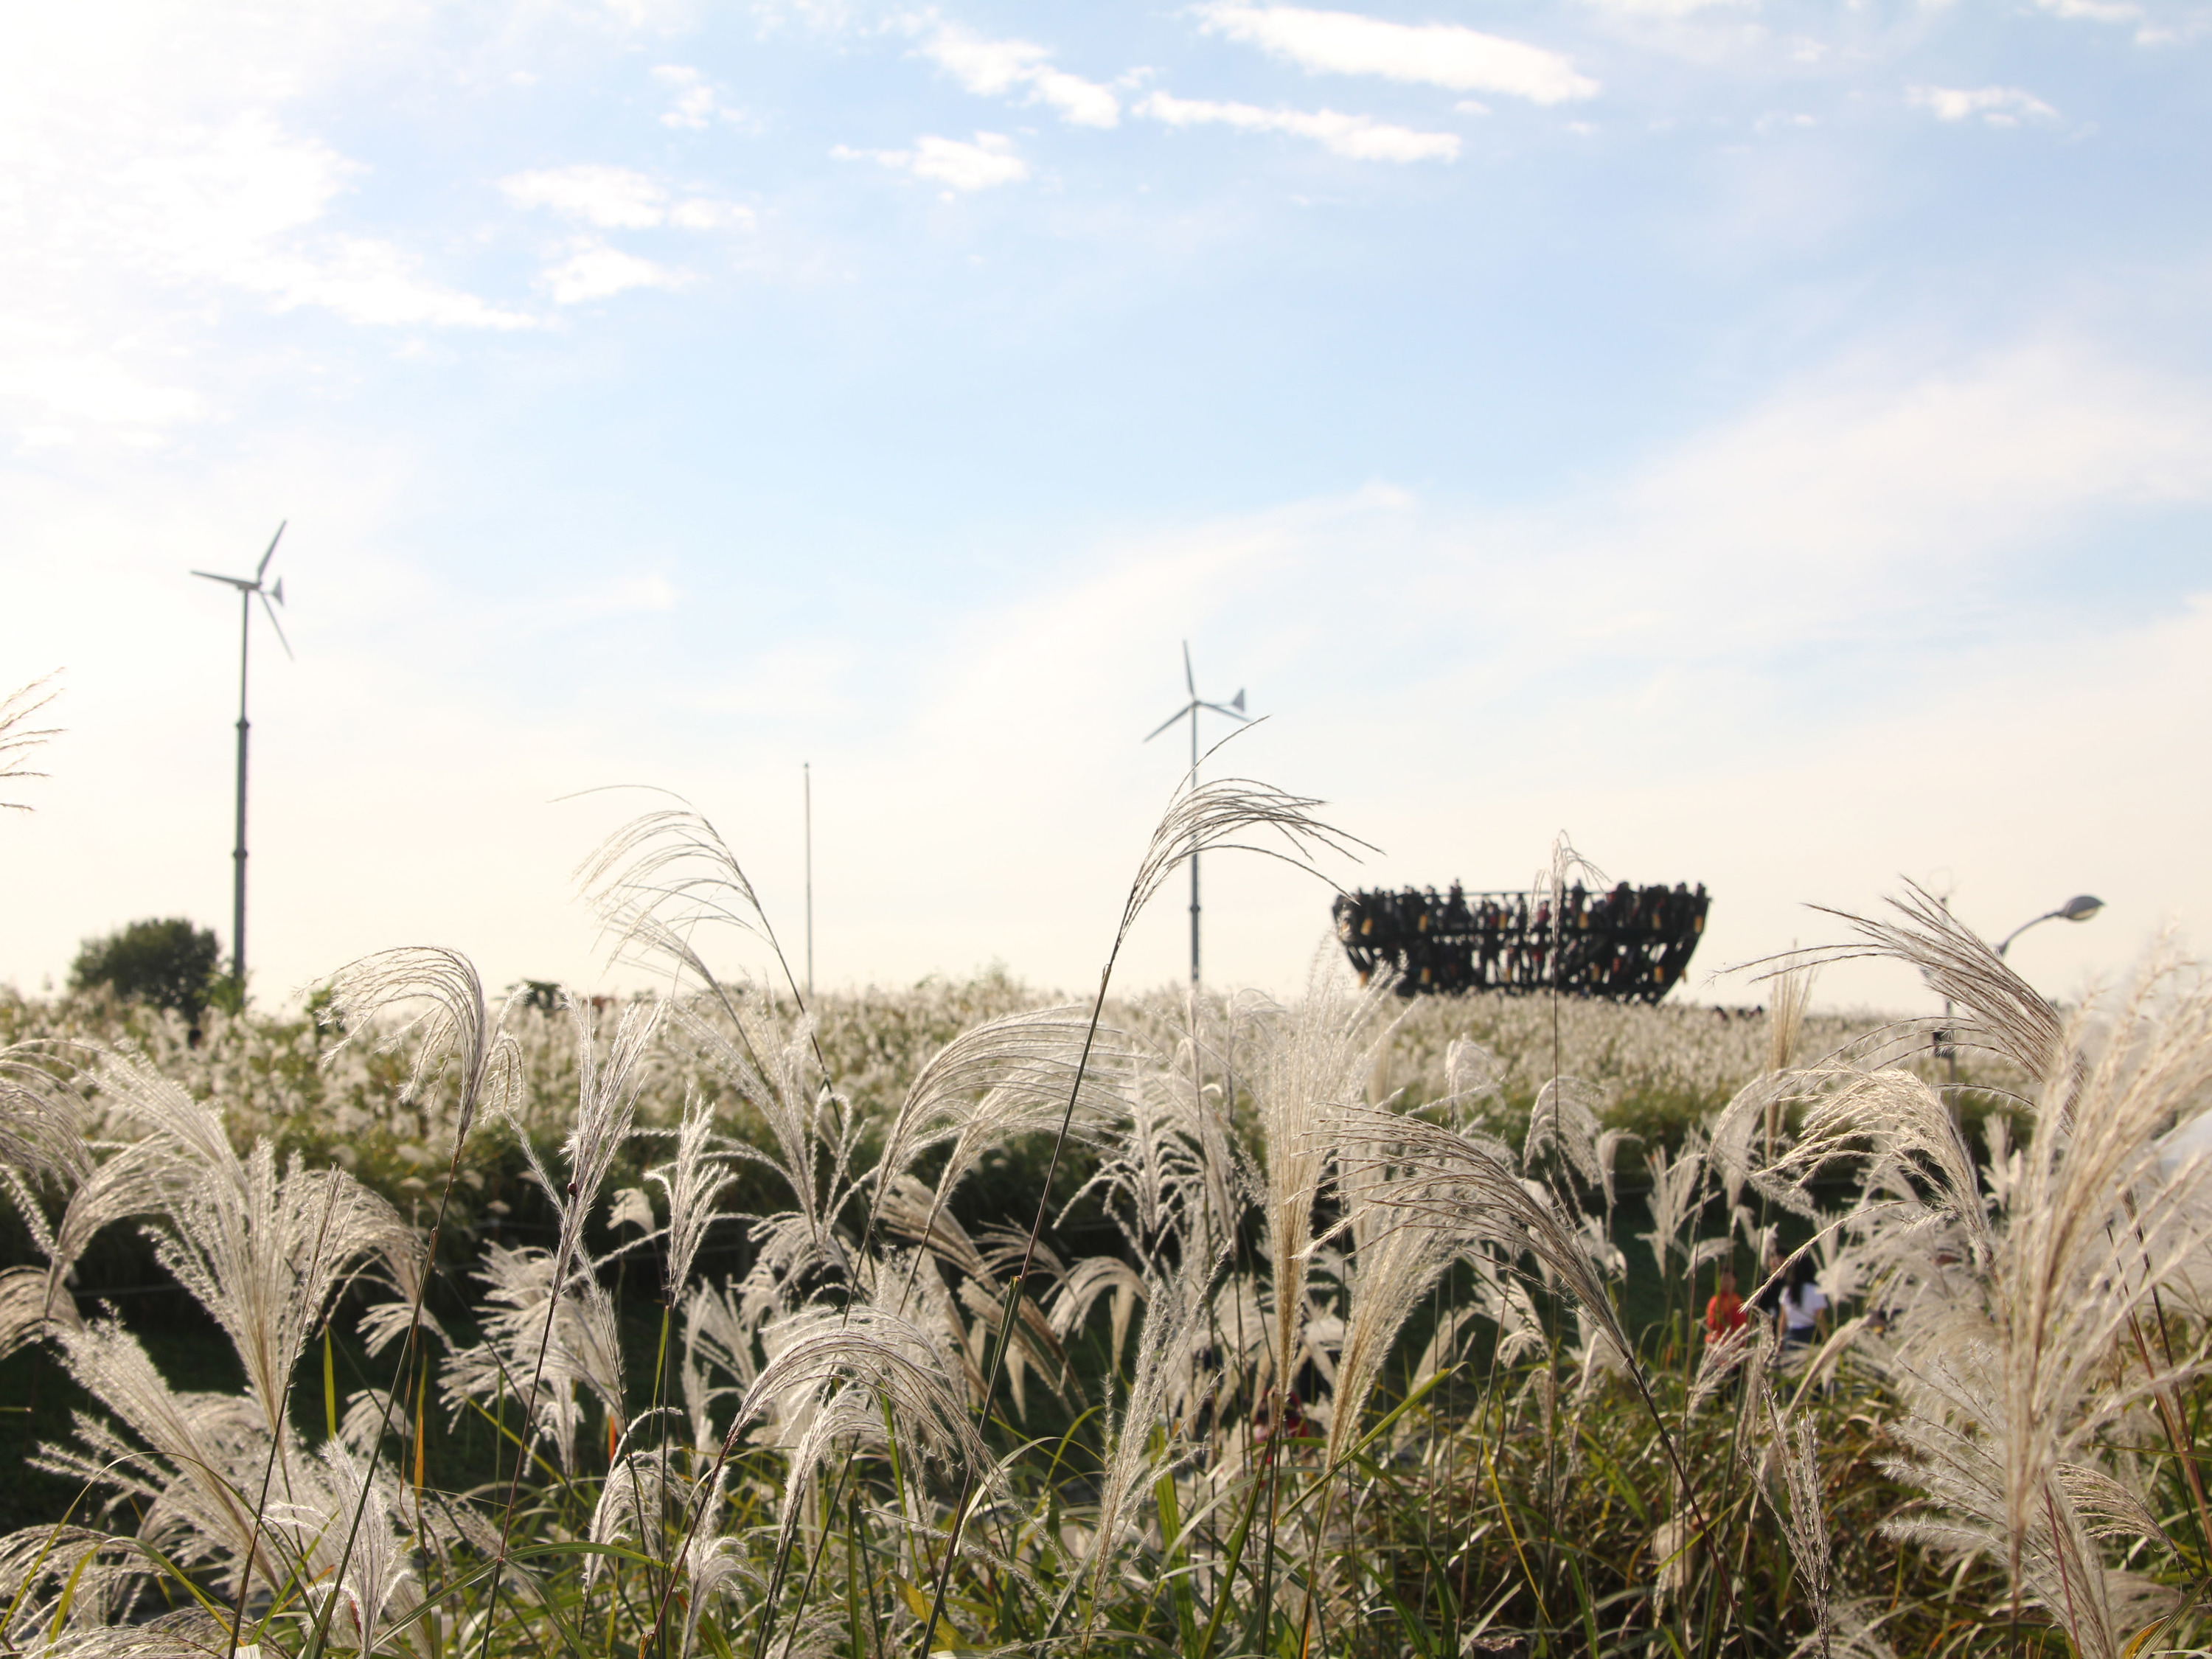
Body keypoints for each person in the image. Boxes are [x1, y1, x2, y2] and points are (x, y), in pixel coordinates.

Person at [1778, 1253, 1829, 1355]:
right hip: (1810, 1336)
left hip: (1791, 1336)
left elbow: (1783, 1319)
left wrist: (1779, 1341)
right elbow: (1820, 1319)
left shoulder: (1787, 1291)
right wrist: (1827, 1340)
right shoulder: (1815, 1291)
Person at [1705, 1265, 1747, 1345]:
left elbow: (1741, 1323)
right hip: (1717, 1342)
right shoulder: (1715, 1301)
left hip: (1735, 1343)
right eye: (1724, 1279)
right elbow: (1712, 1324)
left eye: (1729, 1279)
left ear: (1735, 1281)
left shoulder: (1737, 1300)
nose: (1726, 1282)